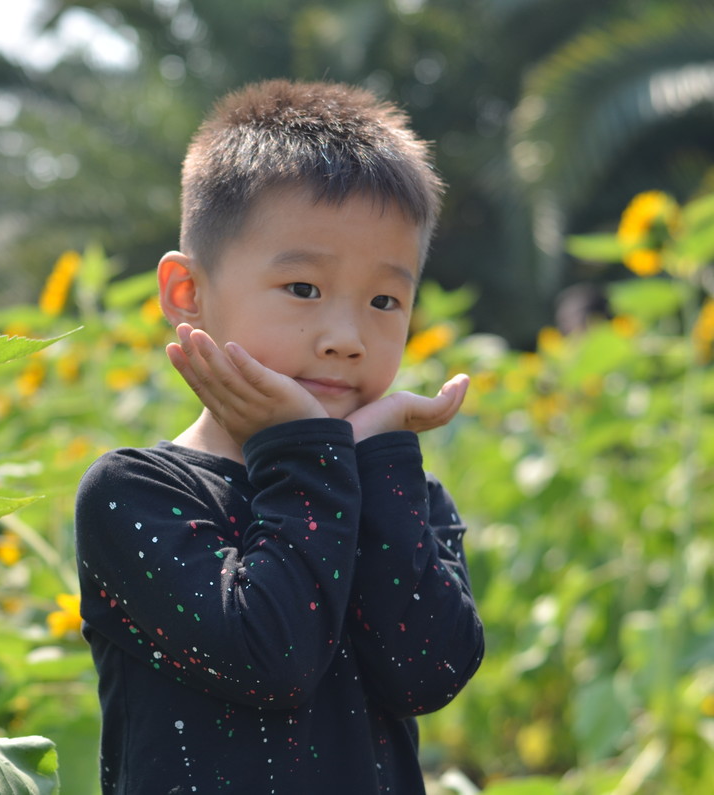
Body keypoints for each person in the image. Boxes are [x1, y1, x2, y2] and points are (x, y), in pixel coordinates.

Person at [74, 79, 485, 794]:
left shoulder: (403, 496)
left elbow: (429, 670)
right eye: (303, 289)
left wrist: (379, 460)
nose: (345, 338)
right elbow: (273, 656)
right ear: (187, 294)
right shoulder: (134, 492)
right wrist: (305, 451)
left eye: (385, 300)